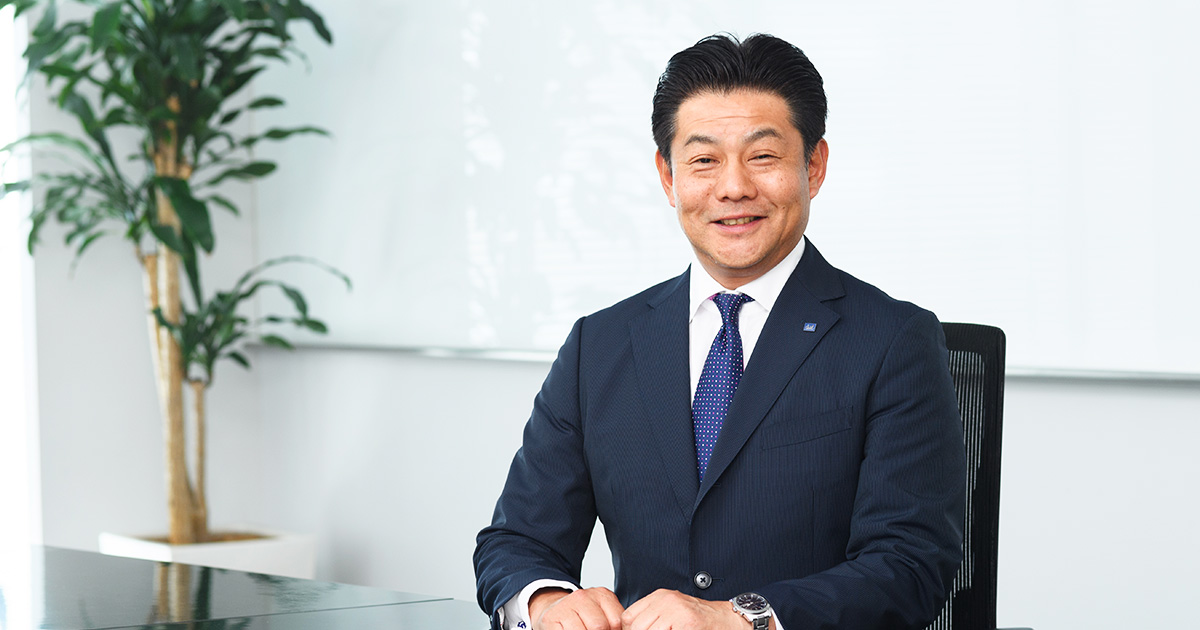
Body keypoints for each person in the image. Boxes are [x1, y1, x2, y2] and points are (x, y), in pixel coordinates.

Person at [474, 33, 965, 630]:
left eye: (763, 156)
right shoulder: (597, 346)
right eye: (704, 160)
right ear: (667, 176)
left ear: (813, 167)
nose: (733, 187)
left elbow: (910, 565)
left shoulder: (892, 341)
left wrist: (739, 618)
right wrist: (547, 602)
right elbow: (518, 539)